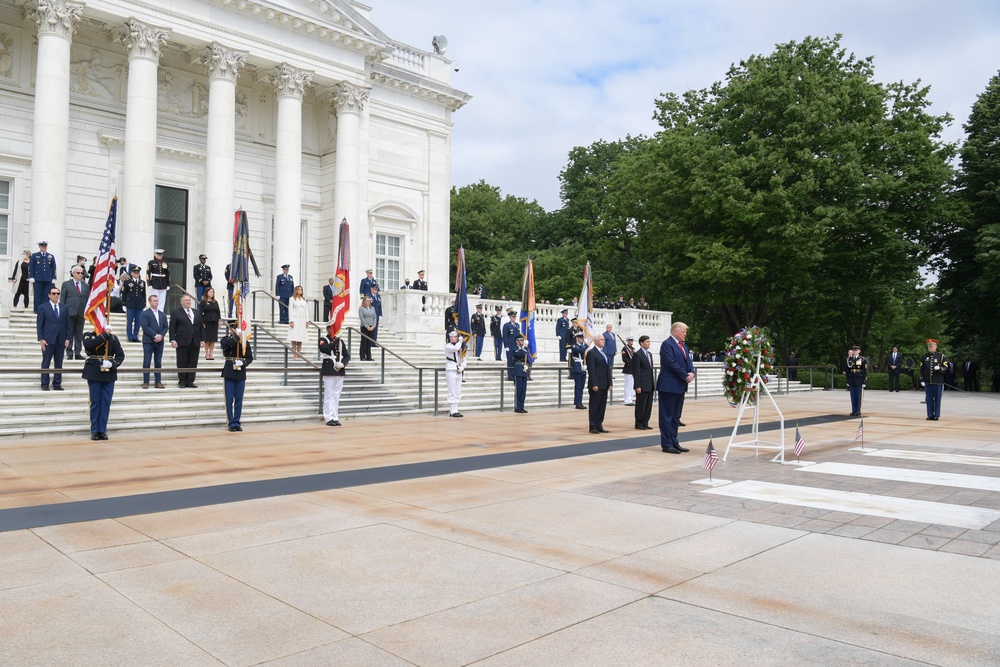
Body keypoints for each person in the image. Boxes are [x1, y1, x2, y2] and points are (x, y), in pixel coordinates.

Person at [657, 321, 695, 454]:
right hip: (669, 385)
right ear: (675, 332)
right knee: (667, 416)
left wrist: (691, 372)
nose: (685, 334)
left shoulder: (683, 346)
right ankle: (666, 444)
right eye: (683, 331)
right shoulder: (667, 344)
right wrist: (685, 375)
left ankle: (674, 441)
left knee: (675, 417)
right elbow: (671, 363)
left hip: (680, 385)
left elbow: (688, 362)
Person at [81, 328, 125, 441]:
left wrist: (113, 363)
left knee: (106, 402)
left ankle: (102, 430)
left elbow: (120, 355)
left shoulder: (114, 338)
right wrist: (104, 335)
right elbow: (89, 346)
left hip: (109, 374)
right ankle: (94, 430)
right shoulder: (88, 335)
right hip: (94, 372)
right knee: (95, 402)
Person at [220, 319, 253, 432]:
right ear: (230, 329)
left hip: (240, 372)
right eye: (233, 328)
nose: (235, 329)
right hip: (229, 371)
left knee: (239, 399)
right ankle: (231, 422)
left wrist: (243, 363)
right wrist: (236, 337)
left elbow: (249, 357)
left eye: (236, 328)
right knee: (229, 399)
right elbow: (226, 345)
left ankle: (237, 421)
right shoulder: (226, 339)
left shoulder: (244, 342)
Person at [36, 285, 69, 391]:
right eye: (54, 293)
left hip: (60, 340)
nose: (56, 295)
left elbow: (67, 325)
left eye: (58, 293)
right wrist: (41, 338)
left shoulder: (64, 308)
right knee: (46, 362)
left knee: (59, 362)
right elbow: (40, 324)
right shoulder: (43, 307)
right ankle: (44, 383)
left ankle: (57, 383)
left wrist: (67, 338)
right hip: (48, 340)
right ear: (49, 295)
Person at [169, 294, 203, 388]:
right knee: (182, 361)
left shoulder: (196, 312)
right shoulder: (176, 313)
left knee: (193, 361)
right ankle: (182, 380)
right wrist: (172, 339)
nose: (188, 302)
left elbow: (201, 327)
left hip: (195, 341)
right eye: (186, 300)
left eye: (189, 300)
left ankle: (190, 381)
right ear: (181, 302)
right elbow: (172, 327)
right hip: (182, 341)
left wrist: (202, 339)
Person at [319, 326, 350, 426]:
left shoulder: (340, 341)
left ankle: (335, 416)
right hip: (329, 369)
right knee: (328, 394)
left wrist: (343, 363)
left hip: (339, 370)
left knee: (336, 395)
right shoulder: (324, 339)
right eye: (331, 329)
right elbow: (325, 349)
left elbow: (347, 355)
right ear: (328, 330)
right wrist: (336, 340)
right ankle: (328, 417)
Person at [60, 265, 90, 360]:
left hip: (81, 312)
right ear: (73, 273)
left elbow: (87, 299)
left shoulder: (86, 286)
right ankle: (69, 352)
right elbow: (63, 298)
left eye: (82, 273)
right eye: (78, 273)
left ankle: (77, 352)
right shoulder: (66, 284)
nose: (80, 275)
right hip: (69, 312)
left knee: (79, 334)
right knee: (69, 333)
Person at [586, 333, 613, 433]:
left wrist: (610, 382)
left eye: (604, 340)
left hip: (604, 383)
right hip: (596, 384)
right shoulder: (592, 353)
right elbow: (591, 370)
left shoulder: (603, 353)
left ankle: (599, 424)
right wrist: (594, 384)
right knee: (594, 406)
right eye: (601, 339)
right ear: (596, 341)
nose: (603, 341)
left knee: (602, 406)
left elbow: (607, 369)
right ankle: (593, 426)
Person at [139, 294, 167, 389]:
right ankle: (146, 381)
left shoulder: (162, 314)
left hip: (159, 342)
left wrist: (161, 335)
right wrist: (155, 335)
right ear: (150, 302)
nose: (156, 302)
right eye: (154, 301)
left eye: (157, 300)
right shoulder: (145, 313)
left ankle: (158, 381)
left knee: (158, 362)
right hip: (148, 341)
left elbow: (165, 327)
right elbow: (145, 326)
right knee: (147, 361)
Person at [919, 339, 949, 420]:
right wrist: (922, 380)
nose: (930, 347)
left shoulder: (941, 356)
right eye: (929, 346)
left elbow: (946, 367)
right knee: (929, 399)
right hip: (928, 381)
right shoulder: (924, 357)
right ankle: (930, 415)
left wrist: (940, 368)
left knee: (937, 399)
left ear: (936, 346)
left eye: (932, 346)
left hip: (938, 381)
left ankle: (936, 415)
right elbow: (922, 369)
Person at [632, 335, 655, 430]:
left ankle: (645, 421)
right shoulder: (637, 355)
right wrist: (638, 385)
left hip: (649, 383)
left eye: (649, 342)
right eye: (647, 342)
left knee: (648, 404)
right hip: (641, 384)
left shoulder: (649, 354)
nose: (649, 343)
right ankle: (639, 422)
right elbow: (636, 371)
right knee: (641, 404)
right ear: (641, 343)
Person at [120, 266, 146, 343]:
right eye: (135, 272)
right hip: (130, 304)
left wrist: (144, 303)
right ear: (131, 273)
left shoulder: (142, 282)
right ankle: (130, 336)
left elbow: (143, 294)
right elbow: (124, 293)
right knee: (130, 321)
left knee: (138, 321)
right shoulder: (127, 282)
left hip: (139, 305)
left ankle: (135, 336)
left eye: (138, 273)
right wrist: (123, 304)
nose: (137, 274)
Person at [29, 240, 57, 312]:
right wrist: (31, 276)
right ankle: (37, 309)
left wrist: (54, 277)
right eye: (43, 246)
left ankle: (45, 309)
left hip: (48, 278)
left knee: (46, 295)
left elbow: (54, 268)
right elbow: (31, 267)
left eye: (45, 246)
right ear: (39, 247)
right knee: (37, 295)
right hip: (38, 278)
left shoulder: (50, 256)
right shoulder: (35, 255)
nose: (44, 248)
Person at [445, 329, 466, 417]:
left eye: (457, 337)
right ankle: (452, 411)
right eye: (455, 337)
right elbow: (455, 348)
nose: (457, 338)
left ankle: (456, 409)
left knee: (457, 391)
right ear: (450, 338)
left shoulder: (460, 347)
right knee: (452, 390)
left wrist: (462, 367)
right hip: (451, 370)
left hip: (458, 370)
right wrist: (461, 341)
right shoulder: (448, 346)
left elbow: (464, 359)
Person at [844, 345, 867, 416]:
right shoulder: (849, 359)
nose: (855, 351)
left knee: (858, 395)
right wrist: (847, 380)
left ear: (859, 351)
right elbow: (847, 371)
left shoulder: (862, 359)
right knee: (853, 396)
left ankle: (858, 410)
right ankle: (853, 410)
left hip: (859, 378)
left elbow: (864, 371)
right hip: (851, 378)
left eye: (856, 350)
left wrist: (864, 381)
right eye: (854, 350)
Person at [200, 287, 222, 360]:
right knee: (207, 339)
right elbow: (200, 313)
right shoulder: (203, 302)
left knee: (212, 339)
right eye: (210, 292)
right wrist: (202, 322)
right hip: (206, 321)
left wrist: (219, 321)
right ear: (206, 293)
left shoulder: (215, 302)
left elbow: (218, 312)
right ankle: (206, 354)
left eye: (213, 292)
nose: (212, 293)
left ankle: (211, 354)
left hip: (214, 322)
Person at [288, 285, 308, 359]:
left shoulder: (304, 300)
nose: (300, 290)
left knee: (300, 337)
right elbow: (290, 310)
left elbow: (306, 311)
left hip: (302, 319)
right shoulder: (292, 299)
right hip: (295, 319)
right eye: (299, 289)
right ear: (296, 290)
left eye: (301, 289)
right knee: (294, 337)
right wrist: (291, 321)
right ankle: (294, 353)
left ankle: (299, 353)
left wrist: (307, 321)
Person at [511, 333, 530, 413]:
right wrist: (524, 349)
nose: (521, 342)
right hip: (518, 370)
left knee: (523, 390)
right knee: (518, 390)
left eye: (522, 341)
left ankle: (522, 406)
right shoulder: (514, 348)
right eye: (520, 341)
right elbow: (518, 354)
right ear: (517, 341)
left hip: (524, 370)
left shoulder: (525, 348)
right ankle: (517, 407)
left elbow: (528, 357)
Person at [569, 331, 588, 410]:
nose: (582, 339)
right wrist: (586, 345)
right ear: (577, 338)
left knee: (582, 387)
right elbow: (580, 351)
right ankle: (577, 403)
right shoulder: (574, 346)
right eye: (580, 338)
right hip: (577, 368)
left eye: (582, 338)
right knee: (578, 387)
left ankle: (580, 402)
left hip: (583, 367)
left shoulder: (582, 346)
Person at [502, 309, 520, 381]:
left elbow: (518, 336)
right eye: (513, 317)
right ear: (510, 317)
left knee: (516, 361)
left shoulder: (517, 325)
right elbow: (505, 337)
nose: (514, 318)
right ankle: (510, 376)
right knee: (510, 361)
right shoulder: (506, 326)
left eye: (515, 317)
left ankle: (515, 375)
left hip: (516, 346)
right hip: (510, 346)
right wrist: (506, 346)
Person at [358, 295, 377, 361]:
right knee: (364, 341)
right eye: (367, 301)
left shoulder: (372, 308)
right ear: (364, 301)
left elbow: (375, 317)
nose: (368, 302)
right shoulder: (361, 308)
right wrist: (367, 326)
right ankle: (362, 356)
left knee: (369, 342)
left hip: (371, 326)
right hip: (364, 327)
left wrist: (373, 326)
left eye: (369, 301)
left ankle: (369, 356)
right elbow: (362, 318)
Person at [621, 336, 636, 406]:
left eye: (632, 341)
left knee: (632, 385)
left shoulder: (632, 349)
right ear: (627, 341)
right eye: (629, 341)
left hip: (633, 369)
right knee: (628, 386)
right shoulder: (624, 349)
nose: (631, 342)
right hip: (628, 369)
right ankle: (627, 400)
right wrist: (631, 360)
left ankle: (631, 399)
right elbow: (624, 359)